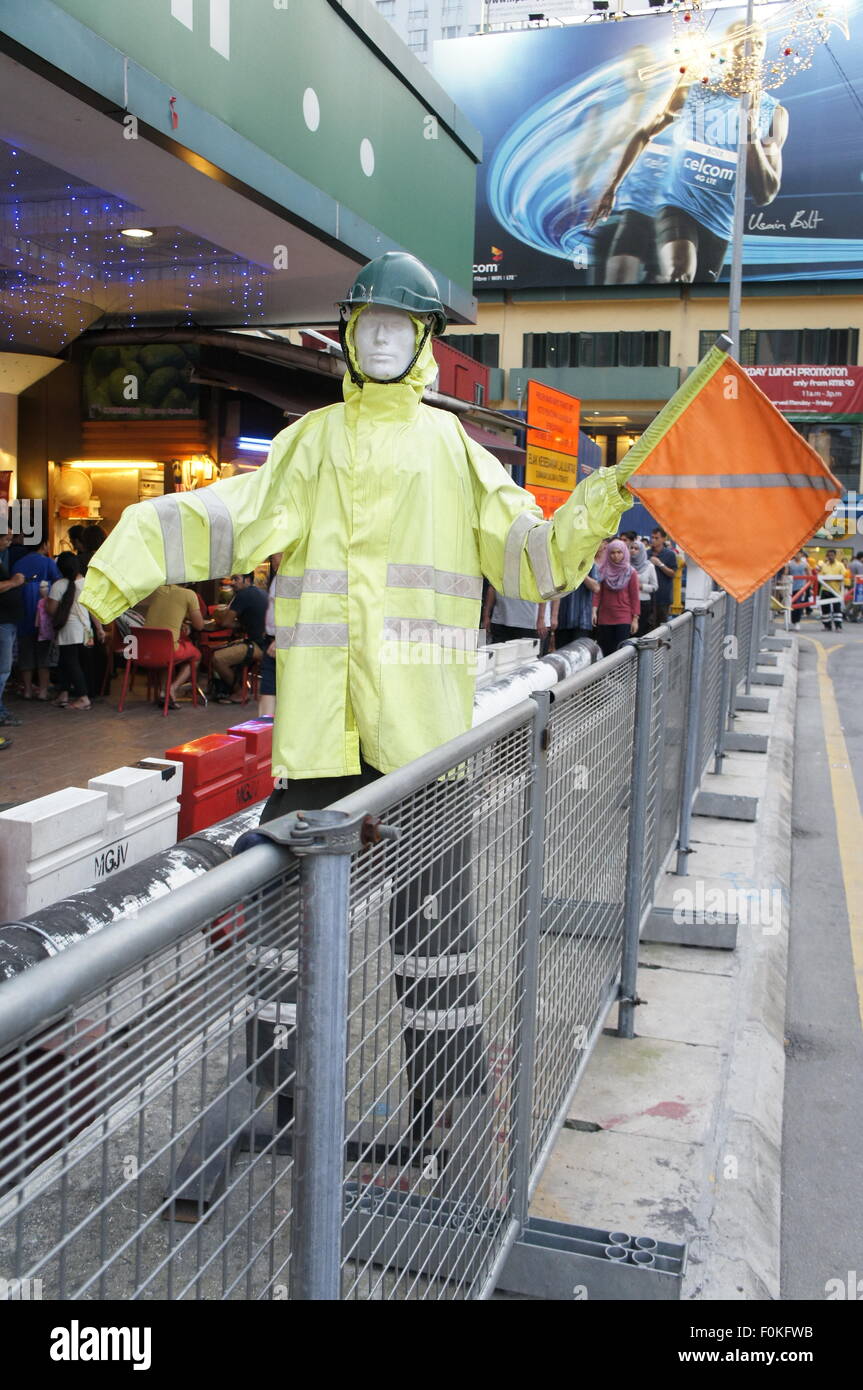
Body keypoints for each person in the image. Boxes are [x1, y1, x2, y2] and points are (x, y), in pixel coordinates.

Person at [81, 251, 639, 819]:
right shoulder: (311, 442)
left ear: (424, 341)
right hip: (326, 737)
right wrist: (125, 556)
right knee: (293, 894)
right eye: (367, 324)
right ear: (347, 334)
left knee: (432, 905)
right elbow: (230, 515)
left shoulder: (455, 450)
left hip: (422, 736)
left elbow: (530, 560)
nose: (379, 340)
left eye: (397, 326)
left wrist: (596, 507)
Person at [590, 22, 787, 284]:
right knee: (679, 274)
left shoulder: (772, 114)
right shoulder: (693, 91)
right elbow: (643, 132)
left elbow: (765, 194)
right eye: (742, 41)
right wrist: (612, 186)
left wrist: (749, 129)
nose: (750, 49)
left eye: (758, 44)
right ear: (725, 49)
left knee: (699, 298)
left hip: (718, 221)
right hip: (677, 206)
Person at [47, 553, 103, 710]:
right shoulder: (87, 583)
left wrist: (45, 598)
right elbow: (93, 610)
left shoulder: (58, 585)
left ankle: (83, 698)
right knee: (70, 662)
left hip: (68, 631)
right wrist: (99, 629)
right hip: (86, 630)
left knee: (71, 663)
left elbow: (51, 610)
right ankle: (63, 695)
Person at [10, 535, 60, 700]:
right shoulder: (48, 562)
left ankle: (27, 690)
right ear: (45, 544)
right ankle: (44, 692)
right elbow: (58, 583)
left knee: (25, 653)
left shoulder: (18, 563)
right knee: (43, 654)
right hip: (44, 615)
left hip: (23, 613)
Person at [142, 583, 206, 708]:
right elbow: (199, 625)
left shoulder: (157, 590)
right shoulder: (189, 594)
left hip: (144, 650)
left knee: (164, 654)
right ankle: (172, 688)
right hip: (167, 651)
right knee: (196, 655)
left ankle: (162, 693)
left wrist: (180, 622)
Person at [211, 573, 268, 703]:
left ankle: (239, 692)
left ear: (247, 580)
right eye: (232, 579)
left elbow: (226, 622)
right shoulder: (262, 592)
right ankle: (228, 688)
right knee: (228, 649)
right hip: (267, 643)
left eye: (236, 579)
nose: (232, 582)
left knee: (217, 658)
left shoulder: (243, 595)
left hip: (258, 646)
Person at [594, 538, 641, 656]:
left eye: (619, 552)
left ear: (624, 553)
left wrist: (635, 619)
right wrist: (594, 611)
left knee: (620, 652)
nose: (616, 556)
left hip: (623, 617)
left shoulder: (631, 572)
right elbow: (598, 593)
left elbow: (635, 596)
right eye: (612, 552)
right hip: (605, 617)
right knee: (605, 652)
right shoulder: (603, 570)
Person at [0, 522, 26, 733]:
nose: (10, 543)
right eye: (7, 539)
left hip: (7, 621)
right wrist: (15, 582)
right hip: (2, 623)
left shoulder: (3, 557)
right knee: (3, 668)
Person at [553, 552, 602, 647]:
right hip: (562, 619)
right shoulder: (561, 563)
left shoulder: (589, 564)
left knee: (578, 656)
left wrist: (580, 573)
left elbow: (596, 587)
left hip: (581, 620)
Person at [258, 554, 283, 720]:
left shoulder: (294, 577)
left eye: (276, 555)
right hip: (271, 639)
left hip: (281, 641)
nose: (272, 559)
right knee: (268, 688)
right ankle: (263, 734)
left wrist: (281, 638)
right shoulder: (277, 577)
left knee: (273, 688)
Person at [648, 526, 678, 626]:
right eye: (652, 537)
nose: (653, 540)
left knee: (661, 627)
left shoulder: (670, 554)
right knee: (647, 625)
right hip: (647, 597)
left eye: (657, 538)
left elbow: (672, 573)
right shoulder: (647, 553)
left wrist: (660, 564)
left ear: (663, 539)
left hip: (663, 598)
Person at [628, 537, 658, 633]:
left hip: (643, 602)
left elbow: (655, 586)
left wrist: (641, 587)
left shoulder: (649, 566)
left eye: (636, 549)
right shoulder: (625, 565)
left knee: (640, 631)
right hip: (627, 602)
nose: (633, 550)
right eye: (631, 548)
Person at [816, 549, 849, 632]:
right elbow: (820, 576)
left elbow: (844, 575)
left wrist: (835, 579)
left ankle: (838, 626)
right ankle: (827, 626)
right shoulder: (824, 565)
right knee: (824, 608)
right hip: (825, 589)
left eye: (832, 555)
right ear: (827, 556)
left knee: (837, 609)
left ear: (835, 556)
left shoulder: (840, 565)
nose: (830, 557)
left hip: (836, 590)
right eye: (829, 555)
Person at [787, 550, 808, 627]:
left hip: (801, 587)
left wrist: (809, 587)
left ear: (802, 554)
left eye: (799, 553)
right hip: (791, 587)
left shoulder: (805, 564)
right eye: (796, 553)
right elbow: (786, 574)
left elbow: (810, 575)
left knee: (798, 604)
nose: (797, 555)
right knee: (792, 604)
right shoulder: (790, 564)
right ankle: (793, 621)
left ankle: (797, 622)